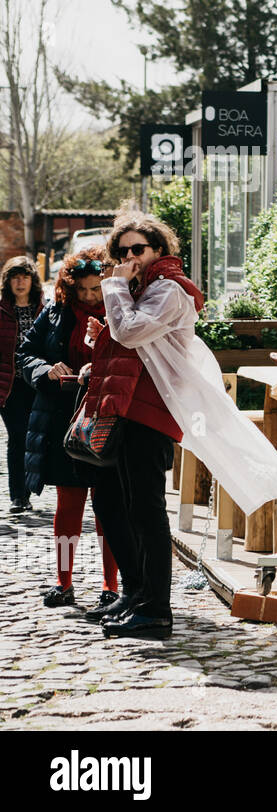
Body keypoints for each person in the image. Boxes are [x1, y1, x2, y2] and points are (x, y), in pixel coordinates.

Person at [81, 212, 277, 638]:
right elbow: (129, 341)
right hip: (129, 407)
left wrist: (114, 289)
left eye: (137, 249)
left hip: (152, 411)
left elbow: (131, 332)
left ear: (159, 250)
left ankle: (156, 608)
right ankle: (138, 595)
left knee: (146, 509)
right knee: (123, 506)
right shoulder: (144, 288)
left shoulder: (169, 289)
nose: (128, 258)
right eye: (121, 252)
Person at [18, 248, 119, 612]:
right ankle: (64, 583)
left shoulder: (120, 311)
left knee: (108, 506)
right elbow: (26, 353)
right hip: (63, 420)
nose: (91, 296)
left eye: (97, 289)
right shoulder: (56, 311)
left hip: (108, 419)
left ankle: (112, 585)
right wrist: (45, 370)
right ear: (70, 286)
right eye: (84, 290)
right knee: (68, 505)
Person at [0, 255, 42, 514]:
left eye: (25, 276)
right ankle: (19, 496)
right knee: (17, 436)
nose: (20, 282)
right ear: (8, 282)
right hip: (9, 384)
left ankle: (31, 488)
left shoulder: (44, 309)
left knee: (34, 437)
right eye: (15, 277)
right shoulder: (2, 311)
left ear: (32, 280)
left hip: (37, 383)